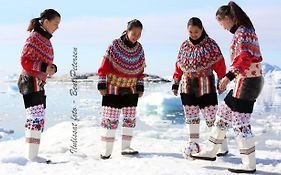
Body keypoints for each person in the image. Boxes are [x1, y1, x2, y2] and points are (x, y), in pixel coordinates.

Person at [191, 2, 264, 173]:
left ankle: (249, 164)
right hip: (246, 81)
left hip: (248, 82)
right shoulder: (245, 29)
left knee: (240, 124)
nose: (222, 27)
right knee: (224, 113)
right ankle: (211, 151)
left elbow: (245, 58)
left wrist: (228, 76)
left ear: (226, 18)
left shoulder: (243, 32)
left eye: (221, 23)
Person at [172, 17, 227, 158]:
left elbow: (220, 64)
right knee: (191, 117)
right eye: (190, 32)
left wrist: (222, 80)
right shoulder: (184, 46)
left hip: (206, 86)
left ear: (202, 29)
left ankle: (221, 146)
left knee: (211, 117)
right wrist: (175, 82)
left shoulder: (210, 45)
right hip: (187, 87)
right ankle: (193, 144)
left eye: (196, 31)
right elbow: (178, 66)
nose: (193, 34)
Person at [97, 19, 145, 159]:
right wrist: (101, 83)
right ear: (127, 30)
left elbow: (141, 70)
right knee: (110, 119)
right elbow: (104, 65)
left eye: (139, 34)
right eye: (134, 33)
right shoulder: (114, 45)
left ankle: (126, 147)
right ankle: (106, 151)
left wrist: (140, 86)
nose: (136, 36)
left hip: (131, 89)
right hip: (113, 87)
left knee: (129, 119)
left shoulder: (139, 49)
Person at [18, 9, 60, 163]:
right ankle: (31, 157)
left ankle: (32, 155)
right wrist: (44, 68)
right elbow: (25, 61)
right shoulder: (34, 38)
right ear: (46, 22)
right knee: (35, 118)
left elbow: (45, 63)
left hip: (38, 82)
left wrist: (51, 68)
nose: (57, 27)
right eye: (55, 23)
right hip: (29, 81)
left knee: (38, 117)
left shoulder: (46, 40)